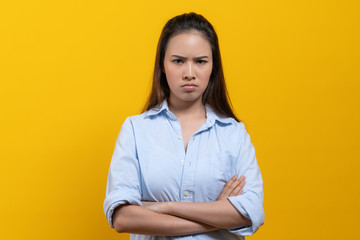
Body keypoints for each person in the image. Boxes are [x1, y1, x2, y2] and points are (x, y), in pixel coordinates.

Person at [103, 12, 264, 240]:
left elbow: (250, 213)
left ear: (213, 67)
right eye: (178, 61)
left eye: (200, 61)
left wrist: (163, 207)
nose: (189, 73)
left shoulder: (234, 134)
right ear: (163, 65)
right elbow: (123, 218)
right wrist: (215, 215)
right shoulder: (135, 130)